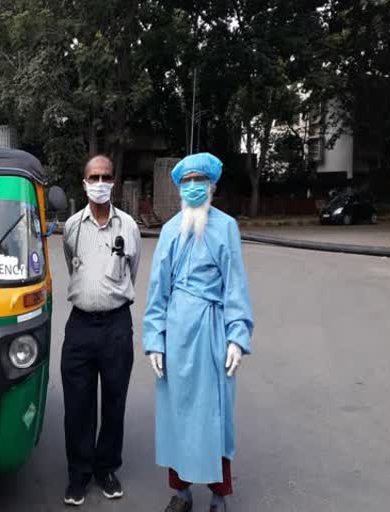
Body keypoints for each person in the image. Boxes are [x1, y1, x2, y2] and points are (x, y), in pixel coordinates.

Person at [143, 153, 254, 512]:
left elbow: (235, 285)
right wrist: (153, 340)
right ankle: (181, 492)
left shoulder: (226, 227)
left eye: (199, 181)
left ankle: (220, 493)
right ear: (179, 187)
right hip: (175, 334)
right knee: (177, 414)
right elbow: (157, 288)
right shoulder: (171, 229)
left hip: (211, 333)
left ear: (212, 186)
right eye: (186, 181)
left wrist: (237, 336)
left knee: (214, 415)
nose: (192, 187)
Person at [61, 155, 141, 506]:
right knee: (77, 405)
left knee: (114, 401)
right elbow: (71, 265)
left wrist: (111, 299)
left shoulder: (129, 227)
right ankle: (78, 474)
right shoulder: (72, 227)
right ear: (84, 182)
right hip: (79, 325)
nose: (100, 182)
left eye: (106, 176)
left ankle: (106, 468)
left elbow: (132, 271)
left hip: (116, 326)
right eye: (93, 176)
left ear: (114, 182)